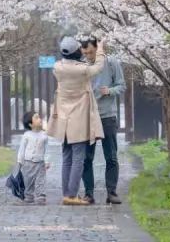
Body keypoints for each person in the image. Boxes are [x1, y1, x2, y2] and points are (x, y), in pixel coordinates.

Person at [48, 35, 106, 206]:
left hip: (64, 119)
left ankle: (66, 193)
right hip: (79, 117)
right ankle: (72, 195)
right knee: (78, 158)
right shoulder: (83, 70)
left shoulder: (57, 67)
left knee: (66, 157)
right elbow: (99, 67)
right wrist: (101, 49)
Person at [80, 36, 125, 204]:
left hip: (107, 116)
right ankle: (89, 193)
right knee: (86, 158)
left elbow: (122, 85)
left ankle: (111, 192)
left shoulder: (112, 63)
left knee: (111, 156)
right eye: (85, 53)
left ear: (97, 49)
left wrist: (110, 91)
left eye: (91, 52)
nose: (89, 56)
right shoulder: (83, 66)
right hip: (88, 116)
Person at [17, 111, 50, 204]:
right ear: (31, 124)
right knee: (28, 180)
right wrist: (20, 161)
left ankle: (41, 196)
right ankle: (29, 196)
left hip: (40, 162)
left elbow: (46, 150)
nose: (40, 119)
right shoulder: (26, 135)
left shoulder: (44, 136)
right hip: (28, 162)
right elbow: (22, 149)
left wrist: (47, 161)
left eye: (39, 117)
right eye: (36, 117)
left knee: (41, 180)